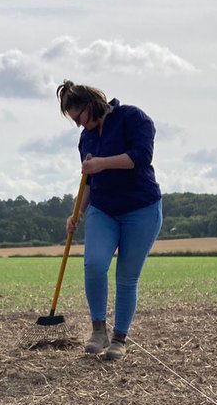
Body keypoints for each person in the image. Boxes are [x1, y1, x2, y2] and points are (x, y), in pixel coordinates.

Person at [56, 80, 163, 361]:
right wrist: (76, 213)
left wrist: (102, 163)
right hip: (103, 209)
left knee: (126, 277)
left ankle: (119, 339)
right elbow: (88, 183)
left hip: (142, 209)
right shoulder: (86, 139)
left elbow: (140, 157)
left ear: (91, 105)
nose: (80, 125)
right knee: (94, 265)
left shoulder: (133, 117)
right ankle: (98, 331)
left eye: (79, 117)